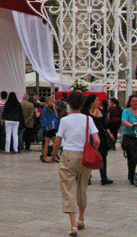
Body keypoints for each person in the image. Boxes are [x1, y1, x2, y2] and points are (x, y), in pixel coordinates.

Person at [50, 91, 99, 237]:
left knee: (68, 189)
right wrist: (93, 151)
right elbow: (96, 140)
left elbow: (58, 140)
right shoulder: (88, 119)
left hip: (69, 155)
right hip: (85, 156)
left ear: (69, 104)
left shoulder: (65, 120)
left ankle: (73, 226)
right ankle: (81, 218)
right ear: (83, 104)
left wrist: (53, 154)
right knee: (82, 188)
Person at [82, 95, 113, 185]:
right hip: (90, 136)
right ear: (92, 102)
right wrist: (94, 115)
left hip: (101, 136)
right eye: (97, 100)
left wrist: (109, 133)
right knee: (89, 156)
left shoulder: (100, 110)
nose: (99, 102)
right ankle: (87, 176)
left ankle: (104, 177)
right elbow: (88, 122)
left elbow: (104, 124)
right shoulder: (85, 111)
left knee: (102, 156)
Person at [41, 97, 59, 162]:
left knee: (55, 142)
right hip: (48, 127)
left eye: (52, 101)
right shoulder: (45, 109)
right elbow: (44, 118)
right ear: (47, 102)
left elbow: (56, 116)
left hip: (53, 127)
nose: (51, 103)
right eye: (49, 101)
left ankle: (55, 156)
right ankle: (45, 156)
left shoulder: (52, 109)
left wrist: (54, 108)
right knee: (47, 143)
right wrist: (46, 127)